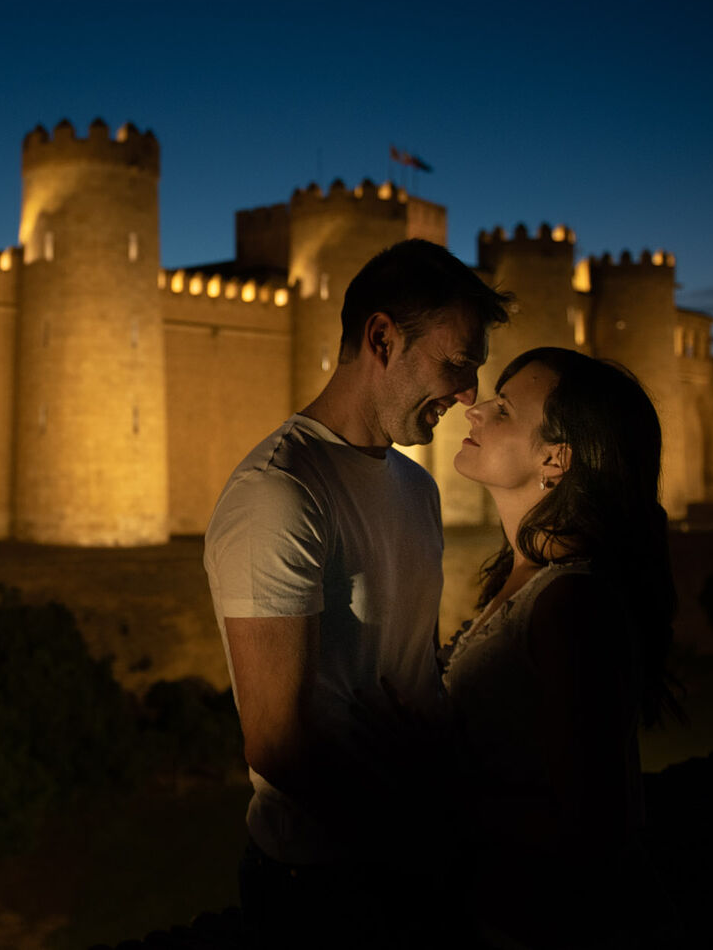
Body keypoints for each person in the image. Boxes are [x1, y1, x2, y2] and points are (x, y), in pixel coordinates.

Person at [204, 238, 511, 946]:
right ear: (381, 338)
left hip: (414, 861)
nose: (467, 394)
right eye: (455, 364)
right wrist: (427, 826)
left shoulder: (415, 487)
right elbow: (278, 746)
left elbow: (407, 676)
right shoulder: (279, 494)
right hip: (322, 883)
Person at [445, 346, 681, 948]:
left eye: (502, 409)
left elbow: (594, 825)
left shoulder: (572, 602)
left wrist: (423, 787)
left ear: (555, 458)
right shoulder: (527, 580)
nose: (473, 410)